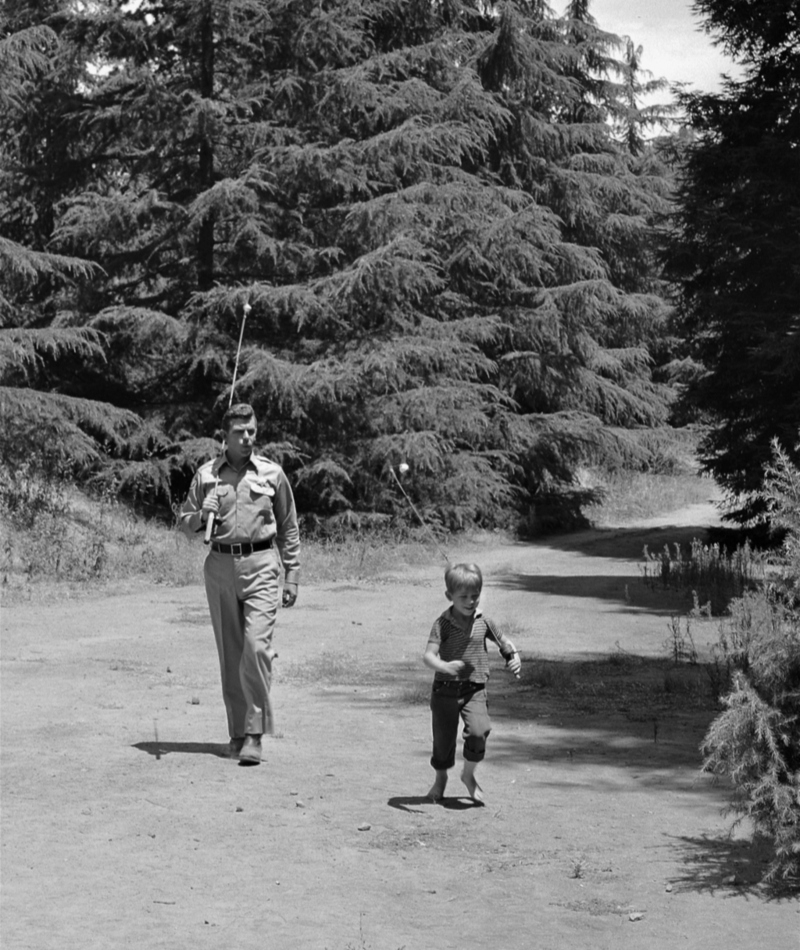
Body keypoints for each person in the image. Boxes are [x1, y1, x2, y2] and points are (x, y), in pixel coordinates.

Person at [179, 403, 300, 765]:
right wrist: (203, 514)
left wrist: (292, 573)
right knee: (231, 654)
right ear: (224, 438)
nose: (247, 438)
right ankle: (236, 733)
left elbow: (289, 526)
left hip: (262, 563)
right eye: (239, 433)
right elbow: (185, 524)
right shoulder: (206, 476)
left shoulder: (272, 474)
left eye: (251, 431)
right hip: (218, 564)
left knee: (256, 648)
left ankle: (255, 733)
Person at [423, 562, 521, 802]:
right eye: (463, 597)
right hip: (444, 690)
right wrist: (444, 666)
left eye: (475, 596)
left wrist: (514, 657)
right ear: (449, 596)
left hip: (474, 689)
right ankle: (440, 778)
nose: (470, 602)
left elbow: (504, 642)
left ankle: (468, 775)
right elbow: (428, 656)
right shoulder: (442, 624)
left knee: (479, 731)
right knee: (443, 740)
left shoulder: (483, 621)